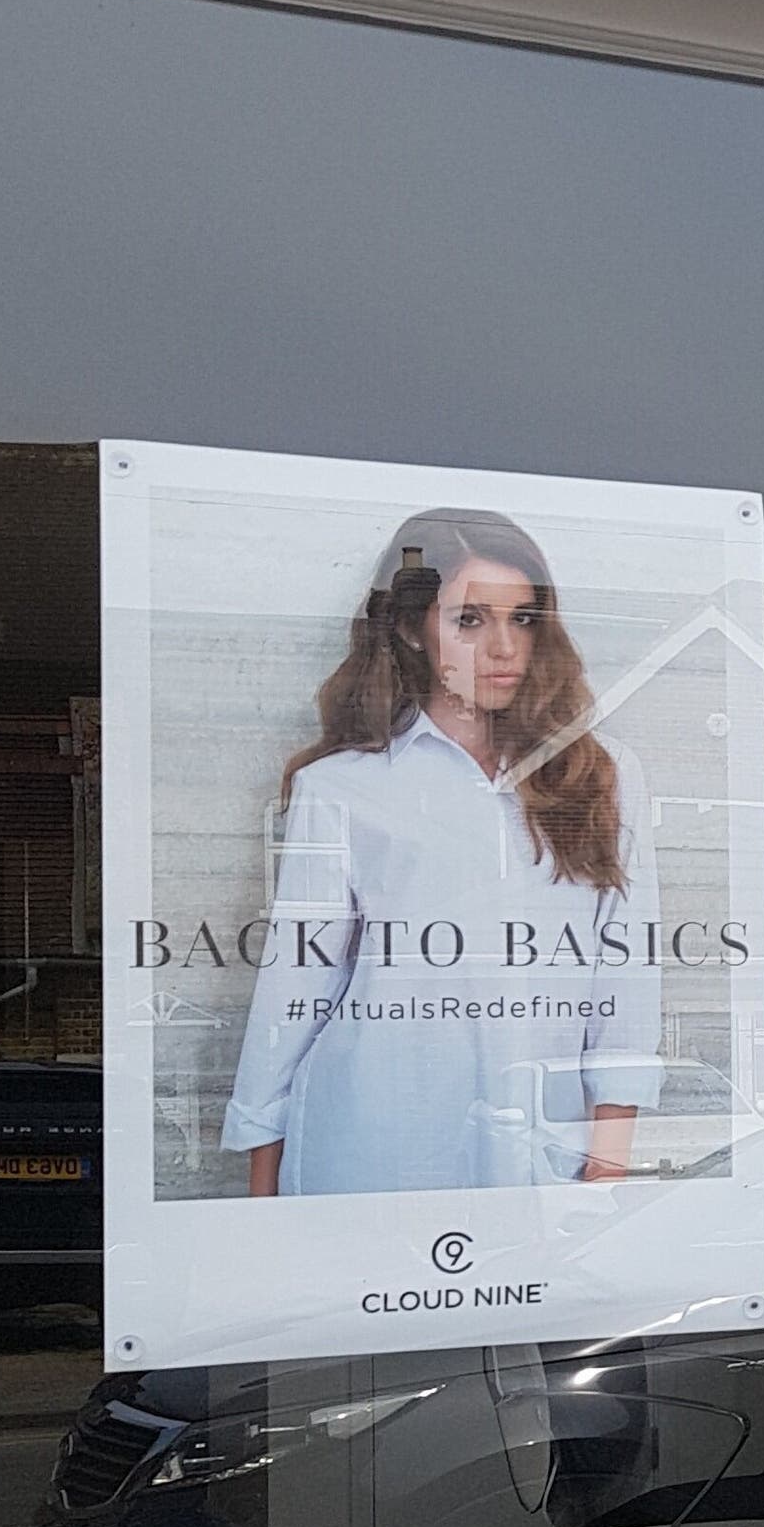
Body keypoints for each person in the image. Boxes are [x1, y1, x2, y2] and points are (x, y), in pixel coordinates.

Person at [221, 509, 661, 1196]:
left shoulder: (600, 776)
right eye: (470, 619)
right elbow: (293, 992)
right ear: (409, 628)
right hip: (369, 1149)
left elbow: (625, 982)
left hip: (545, 1162)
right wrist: (263, 1194)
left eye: (522, 618)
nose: (504, 647)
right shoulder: (340, 786)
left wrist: (607, 1165)